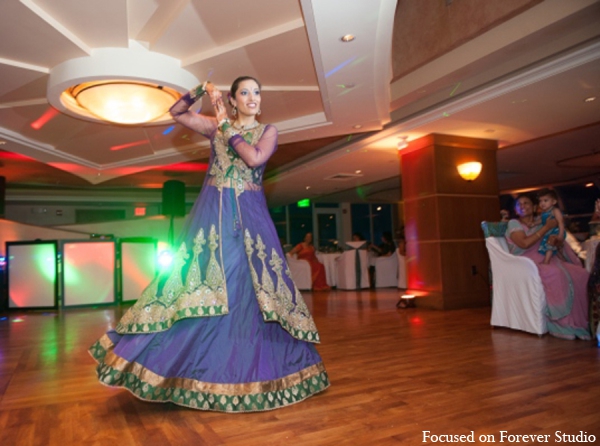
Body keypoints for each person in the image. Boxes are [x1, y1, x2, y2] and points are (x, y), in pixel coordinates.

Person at [88, 76, 329, 412]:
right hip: (212, 220)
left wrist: (226, 125)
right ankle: (188, 367)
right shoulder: (215, 126)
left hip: (251, 220)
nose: (252, 98)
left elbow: (254, 159)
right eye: (244, 92)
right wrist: (199, 91)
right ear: (232, 99)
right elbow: (177, 112)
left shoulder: (267, 131)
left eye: (257, 92)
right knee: (197, 286)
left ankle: (259, 369)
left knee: (253, 291)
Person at [505, 194, 591, 340]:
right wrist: (545, 228)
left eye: (526, 203)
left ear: (534, 207)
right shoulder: (514, 224)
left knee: (581, 274)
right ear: (515, 210)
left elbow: (555, 241)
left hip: (549, 258)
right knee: (556, 274)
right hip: (528, 263)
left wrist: (555, 241)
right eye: (519, 204)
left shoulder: (542, 221)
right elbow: (524, 244)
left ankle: (579, 323)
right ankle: (560, 324)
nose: (523, 206)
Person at [536, 188, 567, 264]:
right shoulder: (544, 212)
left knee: (550, 243)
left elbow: (561, 222)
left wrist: (560, 234)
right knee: (549, 246)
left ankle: (546, 261)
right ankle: (560, 259)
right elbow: (541, 220)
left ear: (553, 201)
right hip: (548, 232)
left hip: (556, 231)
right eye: (540, 201)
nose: (542, 203)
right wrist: (534, 223)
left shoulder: (555, 211)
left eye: (545, 200)